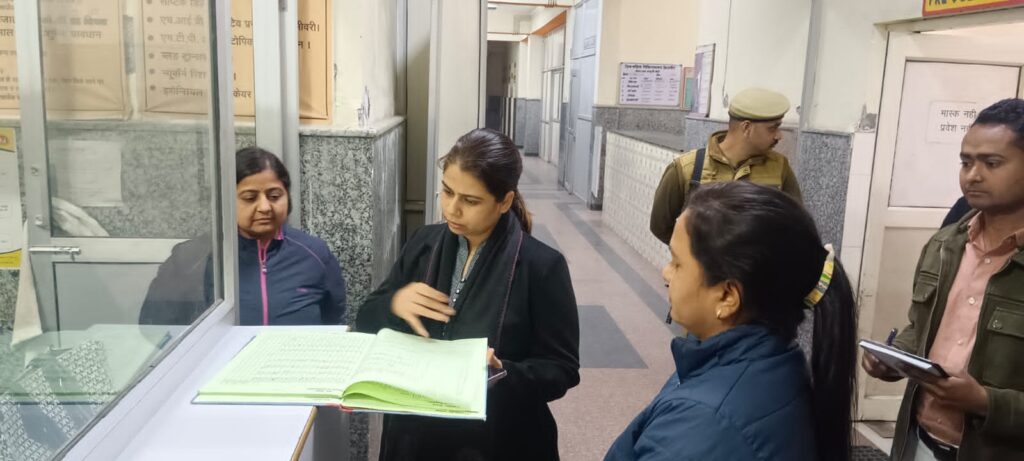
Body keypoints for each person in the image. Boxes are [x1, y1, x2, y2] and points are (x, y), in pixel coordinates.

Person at [355, 128, 580, 460]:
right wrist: (394, 304)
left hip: (497, 441)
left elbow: (561, 369)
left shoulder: (541, 267)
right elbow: (365, 320)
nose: (452, 209)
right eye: (447, 192)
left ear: (504, 201)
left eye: (470, 201)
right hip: (415, 437)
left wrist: (501, 371)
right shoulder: (423, 244)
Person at [607, 181, 858, 461]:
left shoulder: (704, 428)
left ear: (727, 296)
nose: (666, 273)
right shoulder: (775, 359)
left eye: (677, 263)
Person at [862, 98, 1024, 460]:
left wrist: (986, 402)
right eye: (966, 162)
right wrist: (896, 358)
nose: (973, 175)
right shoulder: (944, 244)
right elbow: (920, 328)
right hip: (919, 442)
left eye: (992, 163)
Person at [139, 147, 346, 326]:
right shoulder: (192, 258)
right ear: (226, 200)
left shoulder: (314, 253)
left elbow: (332, 317)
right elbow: (156, 325)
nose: (265, 207)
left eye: (274, 196)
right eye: (249, 198)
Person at [649, 87, 803, 244]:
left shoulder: (780, 167)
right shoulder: (687, 168)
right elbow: (660, 226)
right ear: (746, 128)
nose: (779, 135)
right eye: (772, 128)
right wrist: (692, 253)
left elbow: (796, 223)